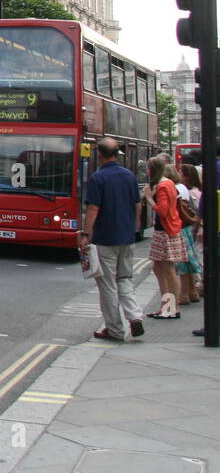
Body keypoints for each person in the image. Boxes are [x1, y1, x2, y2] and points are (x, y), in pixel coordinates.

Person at [80, 137, 145, 342]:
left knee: (107, 285)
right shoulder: (129, 176)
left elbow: (93, 209)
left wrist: (85, 234)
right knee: (125, 279)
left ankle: (115, 329)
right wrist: (134, 227)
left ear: (99, 155)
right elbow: (138, 204)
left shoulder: (98, 178)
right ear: (118, 154)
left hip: (105, 238)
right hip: (126, 237)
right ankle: (134, 316)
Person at [146, 155, 185, 319]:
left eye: (147, 168)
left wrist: (148, 197)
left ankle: (171, 308)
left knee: (168, 270)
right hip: (168, 230)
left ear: (152, 169)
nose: (146, 171)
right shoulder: (167, 183)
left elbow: (162, 210)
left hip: (165, 231)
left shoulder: (162, 186)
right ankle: (166, 306)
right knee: (159, 268)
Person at [178, 164, 203, 304]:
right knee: (191, 260)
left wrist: (197, 227)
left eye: (181, 172)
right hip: (192, 228)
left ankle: (184, 294)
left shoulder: (191, 193)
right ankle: (192, 291)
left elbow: (196, 213)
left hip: (191, 228)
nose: (179, 174)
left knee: (185, 263)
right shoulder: (194, 191)